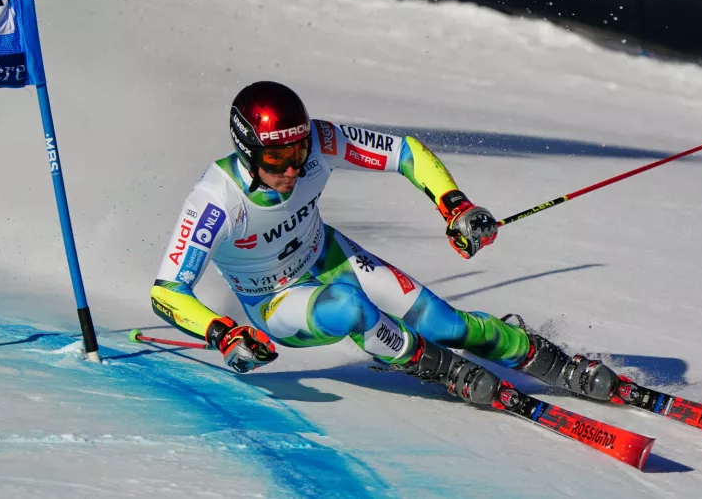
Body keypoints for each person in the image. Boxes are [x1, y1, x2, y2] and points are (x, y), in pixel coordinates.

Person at [150, 81, 623, 406]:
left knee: (447, 324)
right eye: (277, 159)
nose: (293, 170)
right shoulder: (214, 202)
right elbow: (167, 291)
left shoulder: (320, 141)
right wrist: (223, 332)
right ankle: (430, 366)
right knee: (349, 309)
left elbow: (406, 153)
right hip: (274, 300)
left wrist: (455, 206)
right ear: (247, 151)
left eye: (297, 153)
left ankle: (552, 362)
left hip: (329, 255)